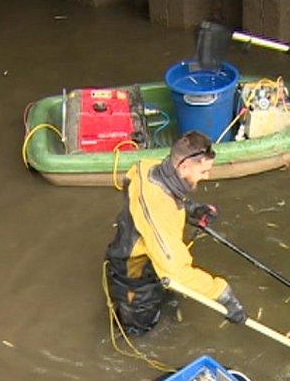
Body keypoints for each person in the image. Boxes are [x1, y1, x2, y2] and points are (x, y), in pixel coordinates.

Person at [104, 131, 247, 336]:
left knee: (168, 300)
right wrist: (222, 295)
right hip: (135, 280)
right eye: (203, 171)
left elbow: (133, 182)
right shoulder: (157, 211)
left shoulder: (147, 167)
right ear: (185, 167)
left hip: (148, 258)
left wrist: (191, 210)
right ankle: (131, 327)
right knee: (141, 329)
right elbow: (175, 271)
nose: (207, 176)